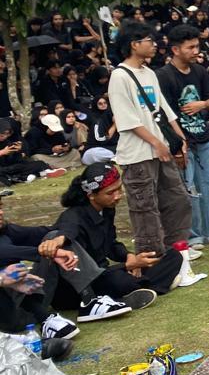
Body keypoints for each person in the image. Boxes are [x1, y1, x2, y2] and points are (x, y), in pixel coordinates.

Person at [107, 20, 193, 255]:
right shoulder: (120, 76)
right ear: (134, 44)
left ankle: (178, 250)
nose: (155, 45)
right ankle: (152, 259)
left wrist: (179, 137)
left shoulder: (150, 73)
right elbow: (127, 120)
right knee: (145, 209)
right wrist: (156, 143)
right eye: (149, 41)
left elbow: (164, 109)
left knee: (177, 200)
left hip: (161, 149)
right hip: (137, 154)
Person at [54, 163, 177, 312]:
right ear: (91, 195)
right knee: (120, 281)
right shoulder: (73, 218)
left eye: (119, 189)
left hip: (106, 273)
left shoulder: (106, 209)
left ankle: (137, 290)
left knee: (171, 255)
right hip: (83, 284)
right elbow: (82, 270)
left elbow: (111, 244)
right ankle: (141, 289)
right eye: (110, 192)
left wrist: (129, 256)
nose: (118, 196)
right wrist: (127, 266)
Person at [159, 25, 209, 247]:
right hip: (182, 142)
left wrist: (201, 104)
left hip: (203, 136)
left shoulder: (200, 71)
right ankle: (192, 236)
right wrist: (177, 143)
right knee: (188, 190)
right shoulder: (163, 76)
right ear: (175, 49)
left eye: (197, 46)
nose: (196, 51)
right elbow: (164, 114)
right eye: (190, 47)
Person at [0, 191, 105, 341]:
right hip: (6, 318)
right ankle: (44, 318)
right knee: (7, 269)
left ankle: (89, 301)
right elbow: (3, 252)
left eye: (0, 206)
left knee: (53, 238)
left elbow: (52, 230)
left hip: (28, 302)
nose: (1, 212)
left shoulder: (5, 231)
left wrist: (58, 241)